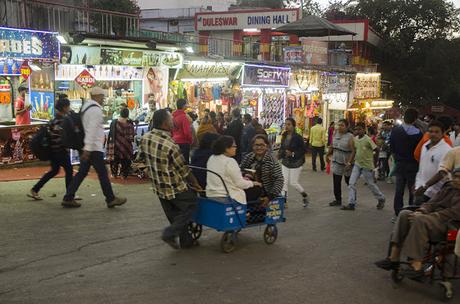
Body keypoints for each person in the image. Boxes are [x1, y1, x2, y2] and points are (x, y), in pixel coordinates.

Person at [375, 167, 460, 279]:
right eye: (455, 176)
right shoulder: (449, 187)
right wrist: (421, 211)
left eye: (459, 177)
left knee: (420, 220)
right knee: (405, 214)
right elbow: (432, 202)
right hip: (432, 219)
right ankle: (393, 257)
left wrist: (426, 216)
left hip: (449, 224)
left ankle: (417, 265)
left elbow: (455, 213)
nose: (456, 179)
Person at [139, 109, 202, 249]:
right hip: (174, 186)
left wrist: (152, 170)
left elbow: (139, 160)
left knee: (175, 215)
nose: (173, 121)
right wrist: (195, 183)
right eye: (170, 119)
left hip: (158, 186)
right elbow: (184, 170)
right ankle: (169, 233)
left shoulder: (146, 138)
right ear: (165, 123)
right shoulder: (170, 145)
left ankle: (186, 240)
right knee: (191, 204)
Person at [62, 87, 127, 209]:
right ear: (97, 96)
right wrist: (87, 148)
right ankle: (110, 198)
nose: (103, 99)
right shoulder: (95, 110)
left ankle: (68, 197)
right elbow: (91, 130)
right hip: (93, 147)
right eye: (102, 97)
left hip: (89, 146)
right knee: (102, 173)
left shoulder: (86, 107)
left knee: (82, 172)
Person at [28, 97, 73, 200]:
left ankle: (35, 189)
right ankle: (69, 194)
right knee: (69, 171)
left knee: (54, 171)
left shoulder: (54, 119)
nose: (69, 108)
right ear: (65, 107)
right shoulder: (61, 120)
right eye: (68, 106)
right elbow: (58, 137)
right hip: (59, 151)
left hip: (53, 151)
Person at [342, 123, 386, 211]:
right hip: (357, 164)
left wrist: (375, 162)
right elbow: (354, 151)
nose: (357, 131)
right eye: (356, 129)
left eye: (359, 129)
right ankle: (351, 203)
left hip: (367, 165)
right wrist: (349, 163)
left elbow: (376, 149)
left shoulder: (368, 139)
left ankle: (381, 198)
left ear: (363, 129)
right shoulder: (355, 139)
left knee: (370, 184)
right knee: (351, 183)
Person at [206, 135, 262, 204]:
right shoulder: (230, 161)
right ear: (226, 148)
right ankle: (249, 212)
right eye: (234, 146)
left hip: (211, 195)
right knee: (257, 189)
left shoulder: (212, 158)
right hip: (227, 197)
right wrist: (253, 183)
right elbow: (240, 184)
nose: (236, 148)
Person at [390, 108, 423, 216]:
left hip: (400, 164)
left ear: (404, 117)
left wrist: (396, 160)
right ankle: (410, 210)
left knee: (399, 190)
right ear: (415, 119)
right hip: (413, 165)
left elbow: (392, 148)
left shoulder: (395, 131)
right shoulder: (419, 134)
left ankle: (398, 211)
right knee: (412, 189)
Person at [414, 121, 452, 205]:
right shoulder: (425, 146)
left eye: (436, 132)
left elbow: (442, 173)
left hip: (436, 193)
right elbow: (421, 168)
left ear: (443, 133)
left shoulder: (447, 150)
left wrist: (425, 186)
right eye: (431, 131)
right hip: (421, 189)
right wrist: (417, 184)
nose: (433, 134)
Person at [240, 135, 284, 204]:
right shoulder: (248, 157)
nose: (259, 147)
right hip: (248, 192)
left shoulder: (271, 160)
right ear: (252, 146)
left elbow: (279, 180)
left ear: (266, 146)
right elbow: (240, 171)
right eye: (256, 145)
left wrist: (270, 197)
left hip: (265, 195)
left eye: (262, 145)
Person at [279, 118, 309, 207]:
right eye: (285, 124)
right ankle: (284, 202)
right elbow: (282, 147)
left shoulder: (298, 137)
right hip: (285, 162)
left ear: (293, 126)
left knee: (293, 182)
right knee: (283, 181)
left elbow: (304, 150)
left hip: (296, 162)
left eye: (289, 124)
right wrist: (280, 154)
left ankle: (304, 195)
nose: (286, 126)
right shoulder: (284, 135)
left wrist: (292, 154)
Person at [326, 119, 354, 207]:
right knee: (336, 182)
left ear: (347, 127)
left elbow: (353, 151)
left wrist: (349, 163)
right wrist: (327, 155)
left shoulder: (350, 136)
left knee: (349, 182)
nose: (339, 127)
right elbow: (332, 145)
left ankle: (352, 200)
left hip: (346, 163)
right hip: (336, 161)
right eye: (339, 125)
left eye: (342, 125)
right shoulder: (335, 134)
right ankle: (338, 200)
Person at [107, 107, 135, 179]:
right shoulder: (130, 124)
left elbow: (111, 134)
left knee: (114, 160)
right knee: (125, 161)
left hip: (115, 145)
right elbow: (131, 137)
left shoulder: (114, 122)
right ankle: (123, 175)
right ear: (128, 115)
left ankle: (114, 174)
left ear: (120, 114)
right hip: (126, 146)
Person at [172, 98, 193, 164]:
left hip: (174, 141)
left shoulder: (172, 116)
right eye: (186, 104)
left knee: (176, 162)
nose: (187, 106)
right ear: (183, 106)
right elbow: (187, 132)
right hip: (183, 143)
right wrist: (190, 140)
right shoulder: (184, 117)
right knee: (184, 163)